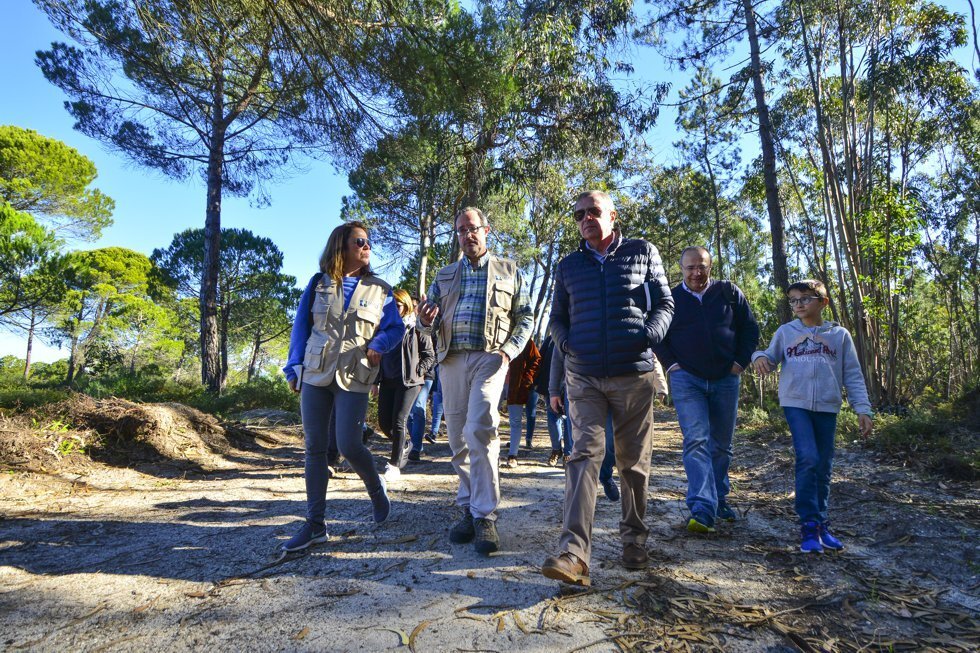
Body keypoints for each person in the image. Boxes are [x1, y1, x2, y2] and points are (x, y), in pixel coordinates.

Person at [541, 191, 674, 586]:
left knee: (633, 462)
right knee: (583, 457)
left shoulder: (642, 252)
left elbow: (665, 303)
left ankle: (634, 540)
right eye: (579, 214)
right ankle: (574, 554)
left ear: (612, 216)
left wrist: (647, 336)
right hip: (584, 376)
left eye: (594, 211)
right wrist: (567, 344)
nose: (586, 218)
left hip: (633, 373)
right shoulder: (568, 266)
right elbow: (557, 318)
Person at [282, 222, 405, 551]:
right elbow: (301, 327)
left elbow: (395, 329)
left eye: (368, 242)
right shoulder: (318, 284)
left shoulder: (381, 289)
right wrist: (293, 367)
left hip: (355, 373)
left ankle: (376, 489)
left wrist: (379, 343)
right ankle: (315, 524)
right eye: (359, 241)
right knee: (315, 448)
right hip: (315, 372)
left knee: (349, 445)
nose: (367, 247)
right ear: (341, 246)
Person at [417, 207, 534, 556]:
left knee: (480, 427)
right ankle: (468, 506)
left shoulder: (510, 270)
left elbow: (525, 317)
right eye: (460, 230)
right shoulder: (444, 275)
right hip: (451, 360)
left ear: (486, 230)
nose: (467, 235)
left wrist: (508, 352)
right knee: (457, 437)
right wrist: (424, 321)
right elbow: (426, 324)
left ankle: (485, 515)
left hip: (490, 357)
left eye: (472, 228)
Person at [751, 279, 873, 553]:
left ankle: (821, 524)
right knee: (808, 457)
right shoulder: (786, 332)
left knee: (824, 465)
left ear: (823, 302)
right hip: (796, 403)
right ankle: (808, 525)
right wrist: (758, 356)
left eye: (805, 299)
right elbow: (769, 356)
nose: (798, 305)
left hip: (828, 406)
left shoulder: (839, 335)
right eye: (794, 300)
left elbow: (852, 374)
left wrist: (862, 409)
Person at [653, 246, 760, 533]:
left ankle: (719, 498)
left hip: (726, 378)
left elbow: (750, 329)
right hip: (687, 380)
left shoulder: (728, 292)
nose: (696, 272)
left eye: (701, 266)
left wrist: (739, 363)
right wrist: (672, 366)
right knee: (696, 440)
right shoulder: (671, 299)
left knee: (721, 445)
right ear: (681, 269)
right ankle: (702, 508)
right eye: (690, 267)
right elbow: (657, 336)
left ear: (710, 267)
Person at [377, 290, 435, 482]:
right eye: (391, 305)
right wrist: (376, 381)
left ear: (407, 306)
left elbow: (430, 355)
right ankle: (405, 444)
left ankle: (394, 466)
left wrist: (418, 371)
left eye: (398, 305)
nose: (394, 309)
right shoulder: (385, 327)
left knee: (398, 421)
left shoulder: (416, 327)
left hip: (409, 382)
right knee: (384, 423)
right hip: (387, 379)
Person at [503, 338, 541, 467]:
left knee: (515, 421)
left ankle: (513, 455)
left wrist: (527, 379)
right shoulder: (494, 333)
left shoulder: (524, 338)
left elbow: (536, 359)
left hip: (515, 385)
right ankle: (486, 453)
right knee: (486, 417)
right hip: (492, 382)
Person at [538, 335, 571, 467]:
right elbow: (540, 360)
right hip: (551, 385)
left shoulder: (577, 334)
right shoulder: (551, 340)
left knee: (570, 421)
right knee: (553, 419)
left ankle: (568, 453)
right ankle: (556, 450)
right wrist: (539, 384)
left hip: (572, 386)